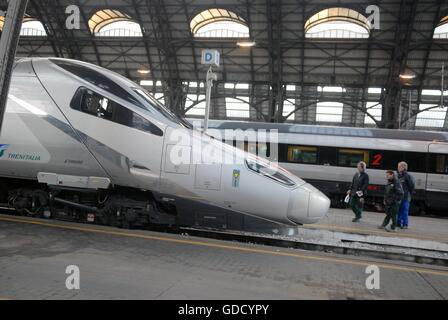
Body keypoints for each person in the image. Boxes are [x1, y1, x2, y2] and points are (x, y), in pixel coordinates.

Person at [397, 162, 415, 229]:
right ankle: (398, 223)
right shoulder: (398, 175)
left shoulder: (407, 175)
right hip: (399, 196)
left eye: (399, 167)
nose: (398, 168)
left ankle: (405, 224)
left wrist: (408, 193)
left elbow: (411, 186)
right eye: (398, 166)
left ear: (403, 167)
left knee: (404, 211)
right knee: (398, 210)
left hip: (405, 196)